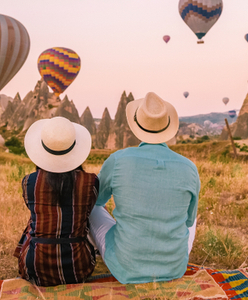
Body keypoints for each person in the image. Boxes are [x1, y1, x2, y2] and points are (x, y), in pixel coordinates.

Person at [89, 92, 200, 284]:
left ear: (136, 126)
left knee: (91, 208)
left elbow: (96, 200)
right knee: (194, 219)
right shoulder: (189, 167)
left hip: (125, 265)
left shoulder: (118, 160)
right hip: (174, 267)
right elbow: (189, 221)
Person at [13, 117, 99, 286]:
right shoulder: (91, 182)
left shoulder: (29, 182)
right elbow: (88, 210)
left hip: (35, 268)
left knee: (35, 219)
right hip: (78, 268)